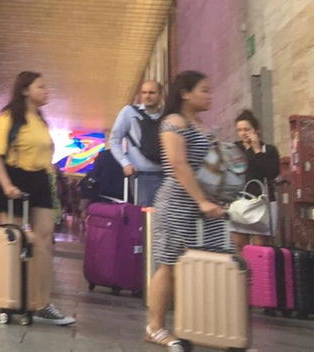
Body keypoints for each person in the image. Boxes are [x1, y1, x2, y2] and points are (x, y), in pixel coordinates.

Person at [0, 72, 74, 325]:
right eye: (41, 86)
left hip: (40, 180)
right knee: (11, 242)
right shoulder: (9, 118)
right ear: (25, 90)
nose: (47, 91)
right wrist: (7, 184)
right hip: (14, 178)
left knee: (44, 241)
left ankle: (42, 301)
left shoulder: (40, 120)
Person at [144, 71, 229, 348]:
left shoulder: (201, 124)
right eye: (204, 90)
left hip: (206, 206)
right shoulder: (173, 122)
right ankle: (155, 327)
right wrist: (202, 201)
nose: (209, 96)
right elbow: (178, 165)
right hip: (178, 203)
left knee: (212, 260)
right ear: (185, 93)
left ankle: (199, 324)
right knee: (168, 264)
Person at [107, 80, 165, 208]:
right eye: (144, 93)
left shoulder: (166, 117)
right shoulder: (129, 112)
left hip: (165, 175)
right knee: (146, 216)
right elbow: (114, 140)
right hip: (141, 176)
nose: (147, 96)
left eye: (152, 92)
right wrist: (125, 163)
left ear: (161, 95)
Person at [230, 108, 280, 251]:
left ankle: (260, 272)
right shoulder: (234, 149)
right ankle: (243, 272)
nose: (243, 133)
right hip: (239, 201)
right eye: (239, 130)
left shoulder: (268, 150)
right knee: (239, 243)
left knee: (260, 245)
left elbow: (270, 173)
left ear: (257, 130)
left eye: (247, 129)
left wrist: (257, 150)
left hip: (263, 202)